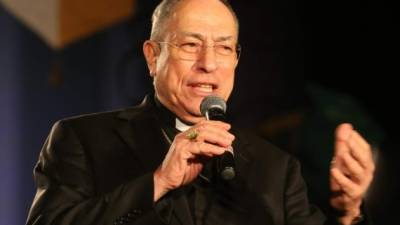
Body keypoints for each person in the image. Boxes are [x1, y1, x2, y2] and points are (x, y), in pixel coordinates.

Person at [25, 0, 374, 224]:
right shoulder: (82, 140)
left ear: (236, 60)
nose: (209, 64)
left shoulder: (276, 168)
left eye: (223, 48)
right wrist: (158, 182)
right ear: (152, 56)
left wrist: (349, 212)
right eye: (190, 45)